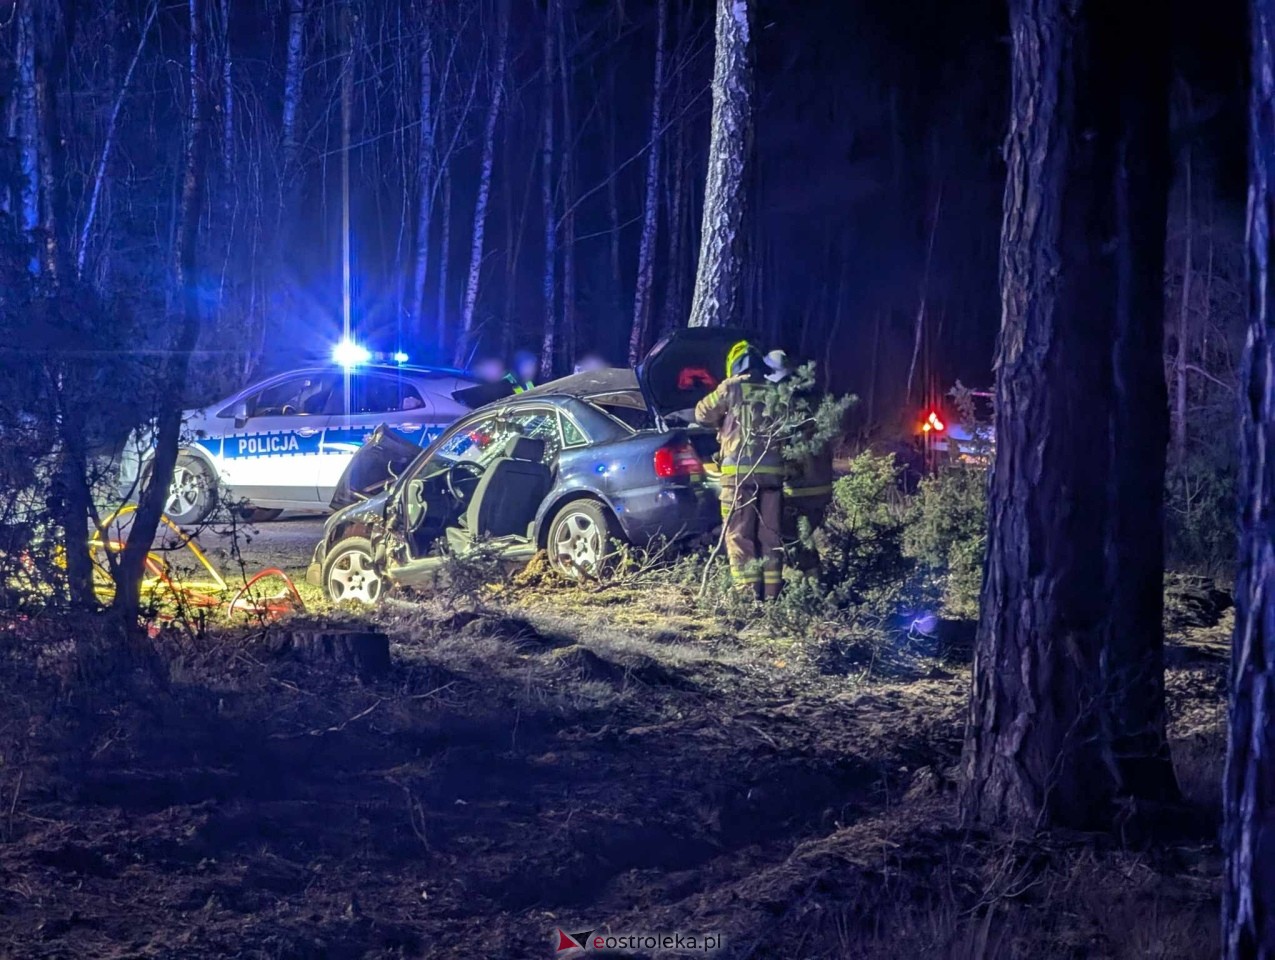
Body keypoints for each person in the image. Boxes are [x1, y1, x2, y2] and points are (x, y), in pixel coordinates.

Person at [695, 340, 785, 601]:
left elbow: (702, 413)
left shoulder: (731, 387)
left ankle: (746, 600)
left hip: (739, 477)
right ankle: (771, 598)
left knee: (739, 537)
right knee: (771, 538)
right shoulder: (776, 390)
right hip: (773, 477)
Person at [765, 350, 835, 563]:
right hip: (821, 486)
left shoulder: (782, 405)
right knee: (804, 541)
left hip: (797, 488)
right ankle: (815, 586)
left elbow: (778, 446)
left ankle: (807, 590)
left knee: (793, 541)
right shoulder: (815, 401)